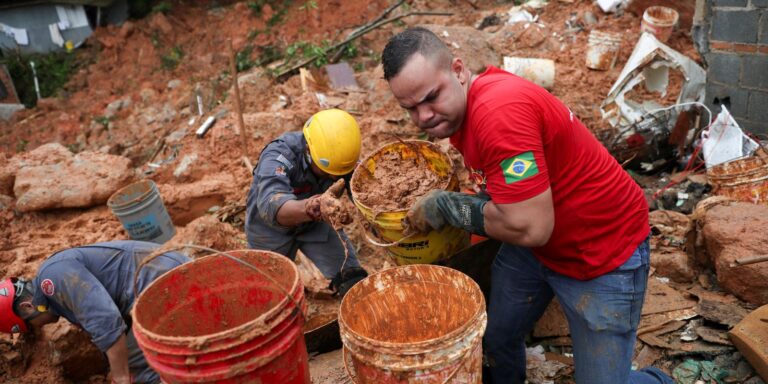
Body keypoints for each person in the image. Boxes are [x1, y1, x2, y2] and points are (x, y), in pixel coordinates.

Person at [381, 27, 674, 384]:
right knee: (498, 336)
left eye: (431, 98)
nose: (423, 116)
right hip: (539, 243)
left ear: (458, 71)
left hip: (602, 250)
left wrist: (450, 207)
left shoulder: (498, 113)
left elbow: (532, 227)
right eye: (410, 108)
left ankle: (658, 380)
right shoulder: (460, 112)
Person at [0, 240, 190, 384]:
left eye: (30, 326)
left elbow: (107, 321)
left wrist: (120, 377)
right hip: (162, 283)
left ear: (27, 307)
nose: (39, 327)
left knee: (137, 363)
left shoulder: (51, 278)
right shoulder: (55, 291)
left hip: (167, 281)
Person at [245, 108, 368, 296]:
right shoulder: (279, 155)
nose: (334, 176)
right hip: (269, 230)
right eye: (327, 172)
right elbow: (272, 204)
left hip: (314, 225)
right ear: (309, 151)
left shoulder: (341, 157)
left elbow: (364, 194)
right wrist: (312, 207)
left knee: (352, 279)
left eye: (339, 173)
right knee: (270, 291)